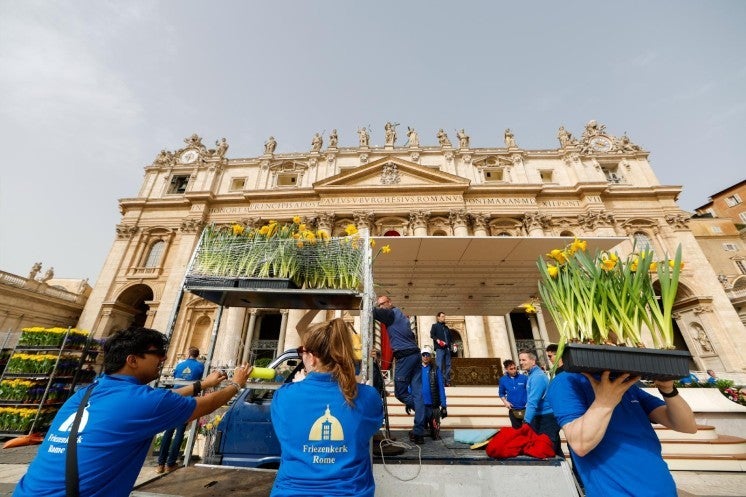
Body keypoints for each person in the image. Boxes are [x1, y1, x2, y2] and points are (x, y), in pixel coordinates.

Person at [13, 326, 251, 497]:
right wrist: (236, 383)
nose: (164, 358)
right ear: (132, 360)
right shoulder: (143, 401)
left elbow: (158, 403)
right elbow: (205, 405)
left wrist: (202, 385)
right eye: (157, 353)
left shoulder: (85, 394)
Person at [270, 318, 382, 497]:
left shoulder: (284, 396)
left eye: (302, 352)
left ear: (312, 358)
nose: (301, 356)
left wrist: (299, 385)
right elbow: (371, 426)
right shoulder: (368, 397)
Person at [547, 371, 697, 497]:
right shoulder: (566, 381)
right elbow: (580, 444)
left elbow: (687, 426)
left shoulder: (627, 385)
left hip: (664, 489)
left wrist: (668, 390)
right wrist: (604, 402)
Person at [373, 295, 426, 444]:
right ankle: (418, 431)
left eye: (383, 303)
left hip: (405, 358)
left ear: (390, 302)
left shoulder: (389, 314)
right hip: (415, 355)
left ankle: (426, 412)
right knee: (417, 393)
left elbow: (373, 312)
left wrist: (369, 301)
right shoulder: (402, 316)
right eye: (380, 304)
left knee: (400, 393)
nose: (381, 306)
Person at [156, 347, 205, 473]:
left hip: (175, 398)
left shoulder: (180, 365)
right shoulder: (200, 366)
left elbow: (174, 376)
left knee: (168, 432)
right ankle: (170, 464)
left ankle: (160, 464)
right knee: (179, 432)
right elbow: (201, 380)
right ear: (198, 355)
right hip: (187, 401)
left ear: (188, 354)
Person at [519, 349, 563, 458]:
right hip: (540, 417)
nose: (521, 362)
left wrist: (526, 421)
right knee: (554, 449)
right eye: (520, 360)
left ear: (533, 361)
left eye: (524, 360)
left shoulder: (537, 377)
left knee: (548, 450)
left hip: (546, 418)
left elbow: (533, 402)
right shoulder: (532, 375)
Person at [419, 345, 447, 439]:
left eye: (427, 355)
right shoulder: (417, 370)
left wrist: (443, 405)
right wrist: (409, 401)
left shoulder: (436, 369)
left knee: (435, 435)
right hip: (421, 404)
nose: (425, 356)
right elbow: (412, 386)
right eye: (424, 354)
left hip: (433, 405)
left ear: (430, 356)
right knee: (419, 433)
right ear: (421, 356)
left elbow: (441, 387)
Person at [498, 359, 527, 429]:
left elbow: (531, 391)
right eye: (511, 369)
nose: (514, 370)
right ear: (506, 369)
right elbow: (501, 393)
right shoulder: (503, 380)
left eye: (515, 368)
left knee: (529, 430)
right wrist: (505, 402)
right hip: (513, 410)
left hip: (526, 409)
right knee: (517, 432)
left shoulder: (524, 378)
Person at [429, 312, 452, 386]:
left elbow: (451, 338)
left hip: (447, 348)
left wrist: (453, 344)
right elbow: (432, 335)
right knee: (439, 365)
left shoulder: (446, 327)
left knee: (448, 365)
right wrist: (438, 340)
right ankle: (439, 381)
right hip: (439, 348)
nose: (444, 318)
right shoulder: (435, 326)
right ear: (438, 317)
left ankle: (447, 381)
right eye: (442, 316)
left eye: (444, 316)